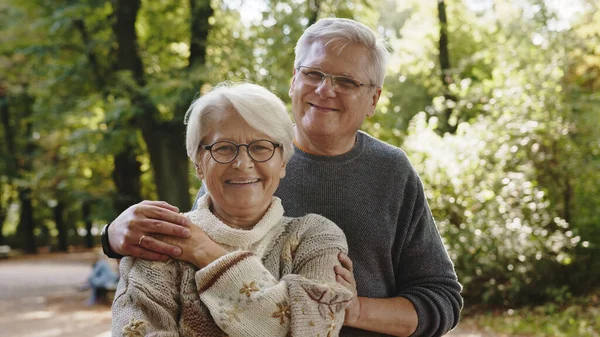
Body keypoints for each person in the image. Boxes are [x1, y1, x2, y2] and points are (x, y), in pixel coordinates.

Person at [103, 18, 463, 337]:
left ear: (373, 99)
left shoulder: (391, 172)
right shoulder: (244, 162)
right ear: (293, 80)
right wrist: (113, 237)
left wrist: (347, 309)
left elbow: (441, 298)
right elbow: (190, 249)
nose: (325, 90)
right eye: (313, 74)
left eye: (347, 81)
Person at [111, 82, 352, 337]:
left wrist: (207, 253)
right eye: (223, 147)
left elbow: (315, 332)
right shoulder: (159, 243)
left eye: (261, 146)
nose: (242, 163)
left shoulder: (316, 238)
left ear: (282, 162)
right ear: (198, 164)